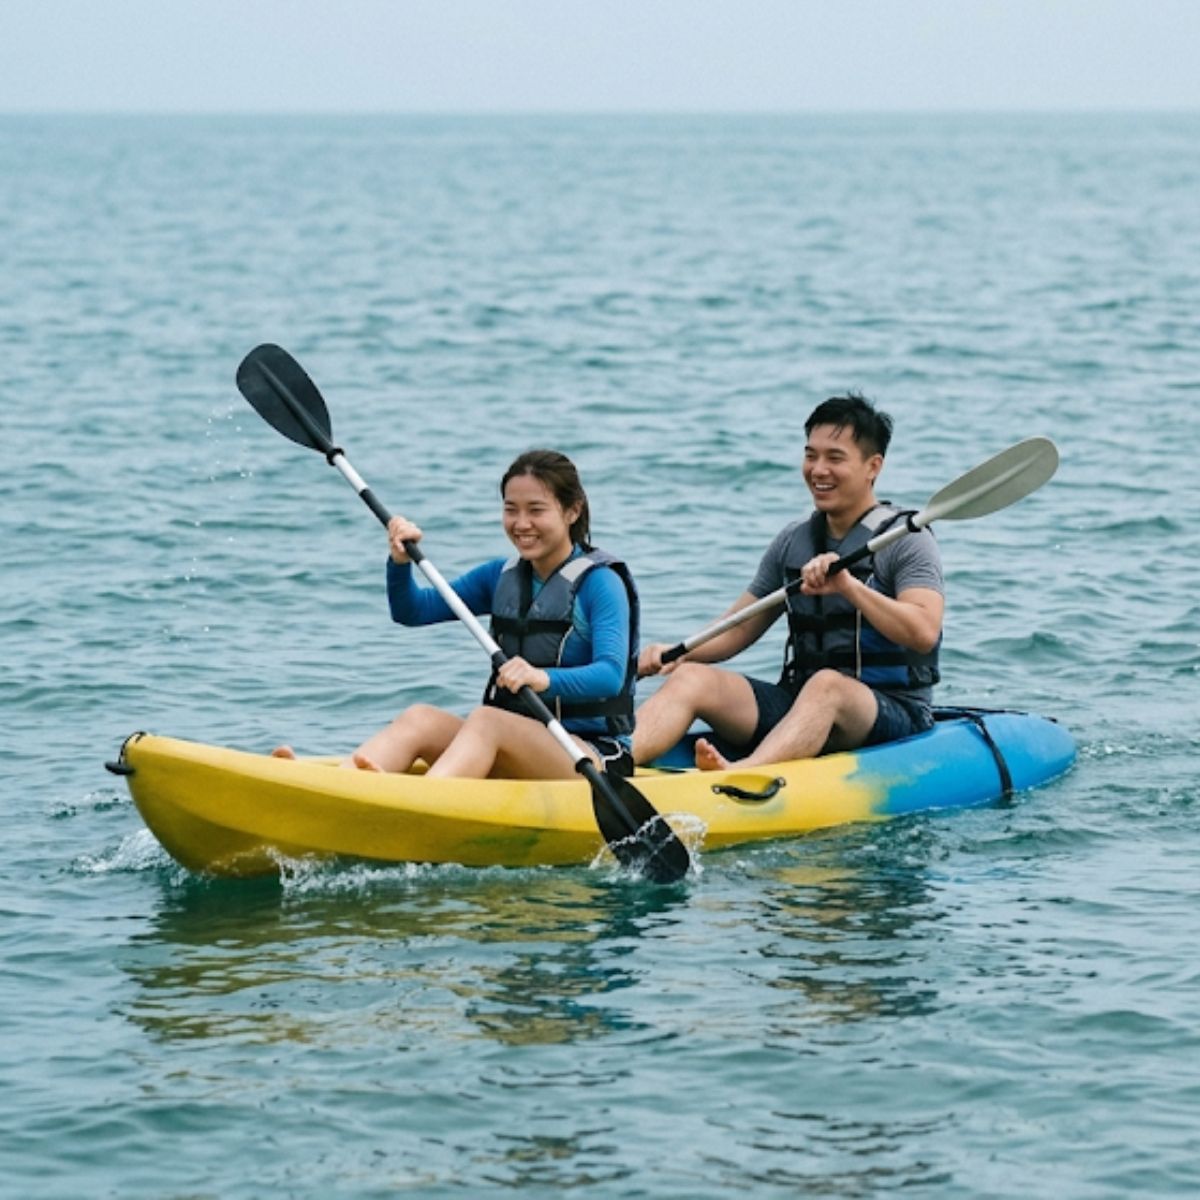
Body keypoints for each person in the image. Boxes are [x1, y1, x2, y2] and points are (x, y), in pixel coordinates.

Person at [274, 449, 638, 780]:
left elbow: (610, 675)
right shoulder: (500, 576)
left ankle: (418, 802)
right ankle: (340, 783)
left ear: (572, 511)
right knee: (420, 718)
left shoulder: (601, 583)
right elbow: (412, 610)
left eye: (536, 510)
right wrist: (400, 563)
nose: (521, 523)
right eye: (511, 509)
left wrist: (541, 677)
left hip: (591, 756)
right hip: (518, 743)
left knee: (488, 721)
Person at [633, 393, 943, 771]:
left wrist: (848, 587)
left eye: (835, 458)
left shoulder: (906, 540)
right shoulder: (793, 541)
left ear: (872, 466)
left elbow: (923, 631)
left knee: (827, 685)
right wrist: (680, 652)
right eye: (811, 455)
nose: (818, 470)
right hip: (801, 703)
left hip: (892, 712)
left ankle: (742, 774)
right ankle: (608, 765)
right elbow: (740, 626)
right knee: (691, 678)